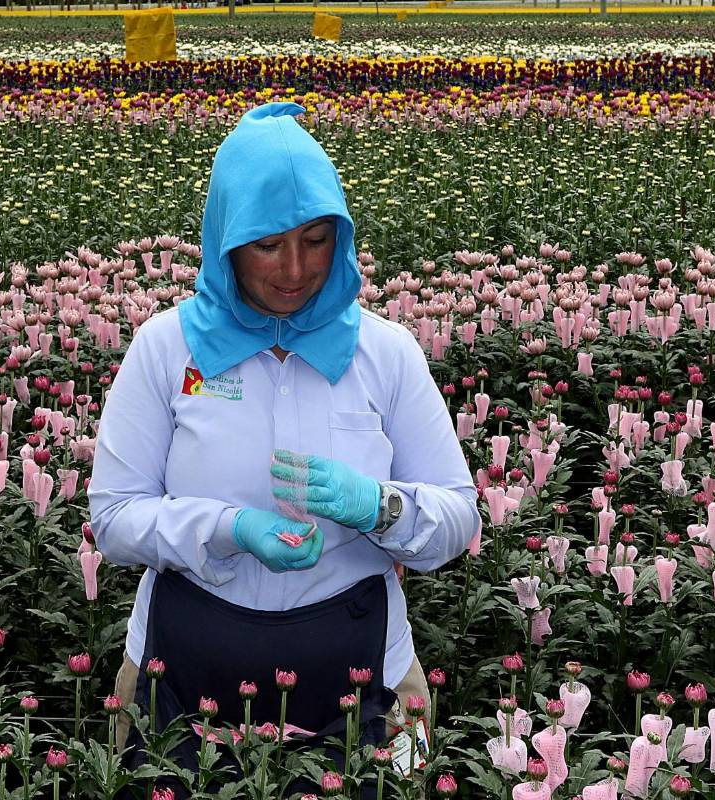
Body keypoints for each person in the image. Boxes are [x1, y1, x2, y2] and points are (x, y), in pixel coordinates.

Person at [88, 102, 477, 793]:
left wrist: (381, 507)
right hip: (178, 674)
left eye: (317, 238)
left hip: (372, 677)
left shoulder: (384, 353)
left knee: (394, 783)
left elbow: (457, 521)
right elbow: (114, 520)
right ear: (223, 241)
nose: (294, 268)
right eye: (266, 243)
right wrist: (224, 526)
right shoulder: (165, 349)